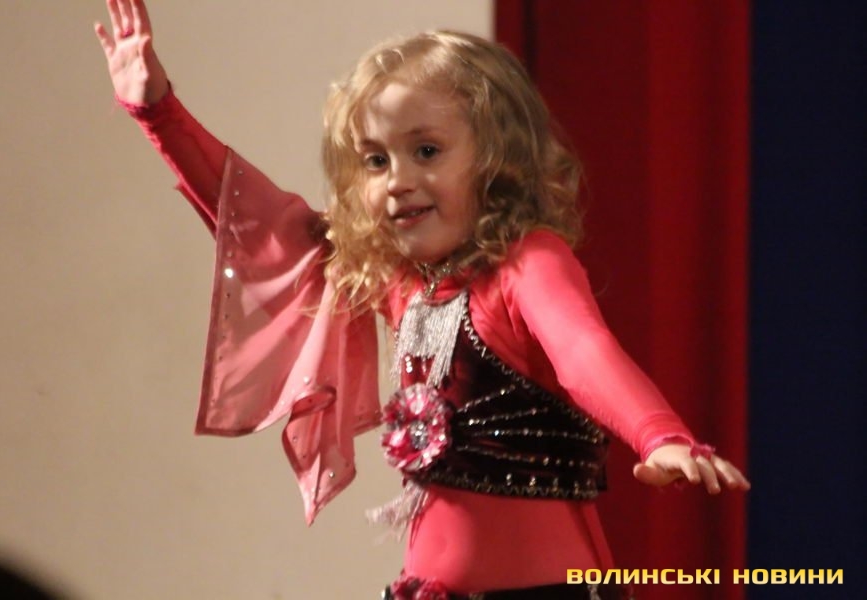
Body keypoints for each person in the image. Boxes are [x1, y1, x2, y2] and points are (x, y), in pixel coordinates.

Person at [95, 1, 750, 598]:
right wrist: (159, 113)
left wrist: (659, 436)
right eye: (375, 161)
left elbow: (584, 351)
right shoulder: (397, 278)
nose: (398, 181)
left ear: (496, 158)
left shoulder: (527, 262)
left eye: (427, 151)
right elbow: (258, 222)